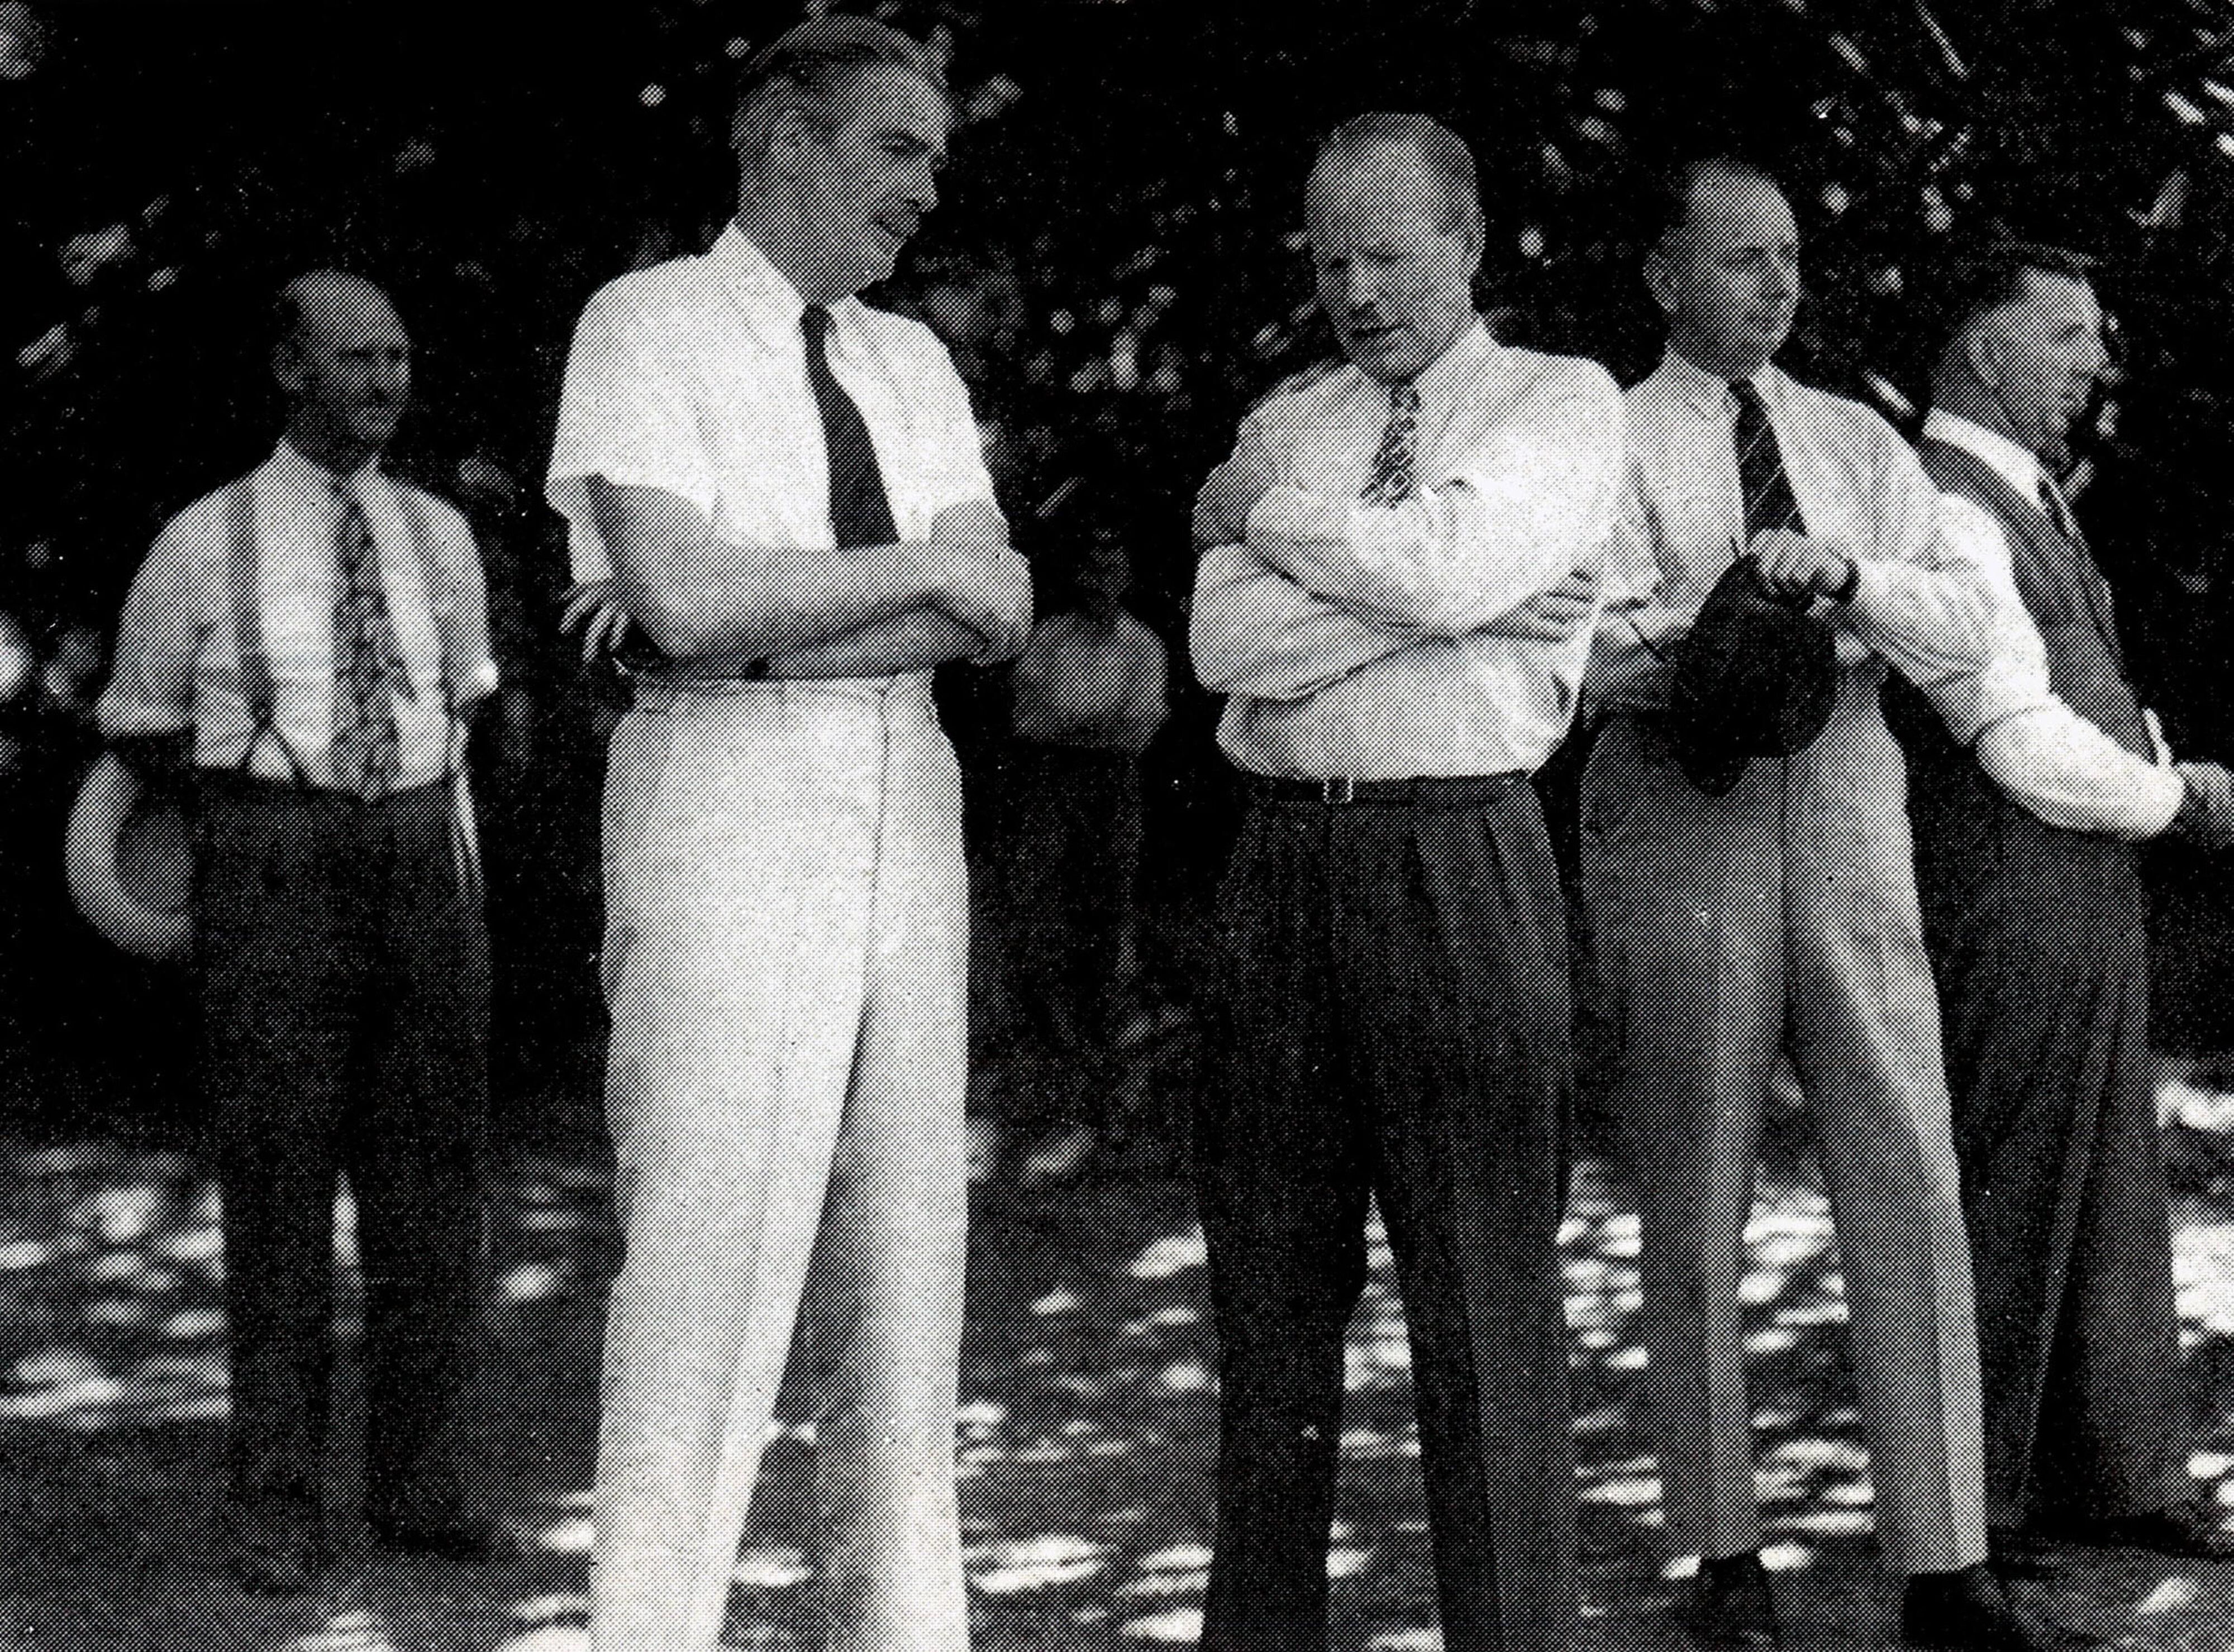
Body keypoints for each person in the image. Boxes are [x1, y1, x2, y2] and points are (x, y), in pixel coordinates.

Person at [544, 18, 1030, 1652]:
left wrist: (759, 613)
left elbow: (1005, 605)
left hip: (905, 792)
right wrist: (912, 577)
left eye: (936, 159)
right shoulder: (647, 326)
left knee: (907, 1273)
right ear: (782, 142)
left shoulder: (915, 364)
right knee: (707, 1267)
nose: (925, 191)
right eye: (898, 147)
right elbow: (676, 603)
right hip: (726, 797)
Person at [1581, 157, 2060, 1651]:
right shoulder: (1593, 432)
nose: (1776, 285)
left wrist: (1839, 573)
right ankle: (1718, 1548)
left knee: (1907, 1163)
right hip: (1677, 801)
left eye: (1787, 256)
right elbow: (1572, 645)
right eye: (1738, 260)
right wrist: (1724, 611)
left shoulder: (1852, 437)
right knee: (1692, 1182)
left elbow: (1966, 625)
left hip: (1846, 795)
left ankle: (1942, 1559)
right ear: (1663, 275)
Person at [1188, 110, 1623, 1652]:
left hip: (1459, 860)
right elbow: (1224, 647)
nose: (1355, 289)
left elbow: (1445, 567)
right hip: (1278, 872)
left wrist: (1287, 531)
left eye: (1385, 252)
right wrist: (1446, 601)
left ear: (1465, 239)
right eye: (1326, 260)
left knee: (1485, 1316)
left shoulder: (1555, 405)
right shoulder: (1287, 414)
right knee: (1269, 1321)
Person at [97, 270, 499, 1592]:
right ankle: (276, 1502)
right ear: (288, 369)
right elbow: (139, 720)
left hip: (420, 857)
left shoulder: (440, 534)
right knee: (276, 1190)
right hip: (272, 859)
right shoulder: (201, 541)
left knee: (431, 1188)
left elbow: (468, 703)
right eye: (354, 358)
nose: (385, 381)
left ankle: (419, 1484)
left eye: (398, 356)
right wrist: (257, 807)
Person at [1886, 242, 2234, 1574]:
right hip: (2009, 881)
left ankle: (2112, 1478)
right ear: (1986, 347)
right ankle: (1976, 1519)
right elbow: (2014, 735)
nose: (2094, 363)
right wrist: (2182, 796)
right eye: (2068, 335)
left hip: (2076, 874)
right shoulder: (1944, 503)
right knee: (2012, 1183)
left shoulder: (2020, 490)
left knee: (2103, 1177)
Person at [978, 509, 1169, 1182]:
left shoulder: (1144, 647)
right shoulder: (1048, 639)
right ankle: (1028, 1100)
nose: (1101, 576)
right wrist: (1087, 724)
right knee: (1034, 937)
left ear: (1128, 574)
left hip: (1108, 796)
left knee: (1100, 940)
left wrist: (1077, 724)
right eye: (1090, 563)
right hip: (1045, 790)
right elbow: (1029, 716)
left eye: (1114, 564)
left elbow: (1136, 730)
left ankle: (1096, 1109)